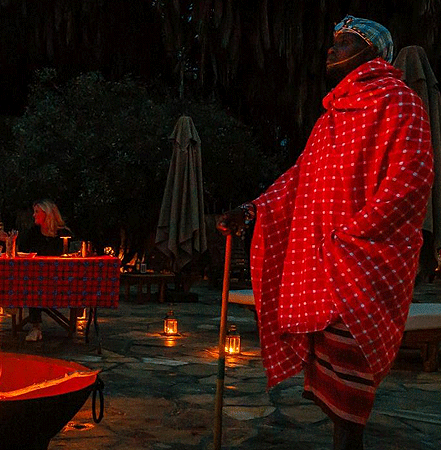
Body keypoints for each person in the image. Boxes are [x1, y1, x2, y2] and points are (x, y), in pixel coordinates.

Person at [217, 16, 433, 450]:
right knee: (335, 387)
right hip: (325, 265)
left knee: (352, 383)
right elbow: (300, 178)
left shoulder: (400, 102)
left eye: (344, 42)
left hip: (364, 261)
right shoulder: (331, 117)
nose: (330, 50)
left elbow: (412, 179)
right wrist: (254, 209)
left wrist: (355, 235)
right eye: (332, 43)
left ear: (373, 52)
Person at [0, 199, 72, 342]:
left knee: (34, 283)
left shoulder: (64, 234)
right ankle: (35, 327)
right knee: (32, 283)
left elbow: (72, 255)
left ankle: (35, 327)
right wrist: (9, 241)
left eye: (37, 212)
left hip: (61, 279)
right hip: (37, 278)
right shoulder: (34, 232)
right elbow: (21, 252)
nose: (33, 215)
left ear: (47, 214)